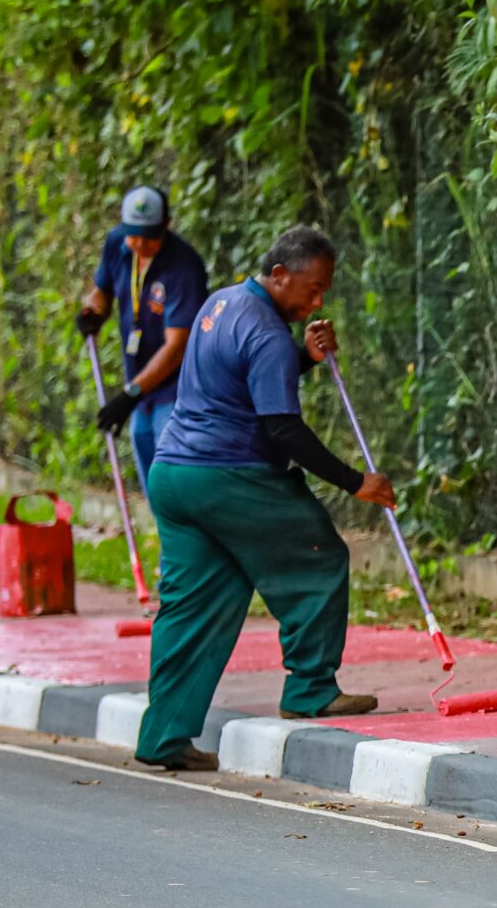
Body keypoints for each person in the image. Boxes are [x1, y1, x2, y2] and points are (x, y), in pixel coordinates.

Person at [131, 225, 395, 772]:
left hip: (173, 473)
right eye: (313, 288)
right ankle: (311, 688)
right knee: (318, 556)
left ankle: (162, 735)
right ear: (279, 275)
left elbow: (243, 376)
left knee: (194, 603)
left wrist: (306, 358)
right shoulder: (268, 332)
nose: (317, 302)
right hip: (228, 476)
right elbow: (283, 430)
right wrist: (356, 482)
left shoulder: (220, 304)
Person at [76, 184, 209, 490]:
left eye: (148, 236)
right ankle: (160, 524)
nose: (138, 243)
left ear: (165, 226)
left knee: (172, 477)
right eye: (132, 234)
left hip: (178, 392)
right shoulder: (117, 244)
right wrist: (94, 313)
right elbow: (102, 292)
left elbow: (177, 347)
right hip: (141, 389)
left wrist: (129, 395)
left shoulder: (184, 267)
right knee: (150, 478)